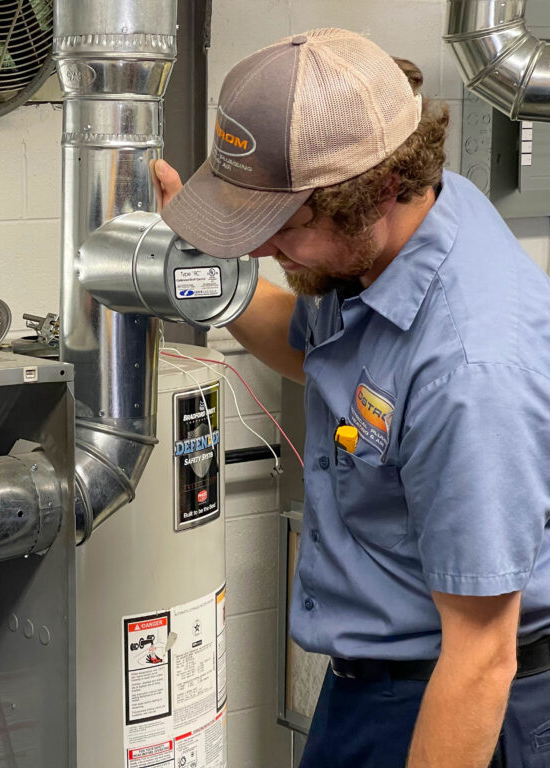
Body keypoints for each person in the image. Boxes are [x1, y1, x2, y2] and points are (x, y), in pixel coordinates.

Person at [155, 28, 550, 768]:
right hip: (368, 691)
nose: (261, 247)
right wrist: (204, 278)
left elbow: (482, 657)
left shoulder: (472, 367)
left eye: (281, 226)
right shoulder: (392, 240)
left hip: (455, 701)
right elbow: (312, 348)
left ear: (370, 193)